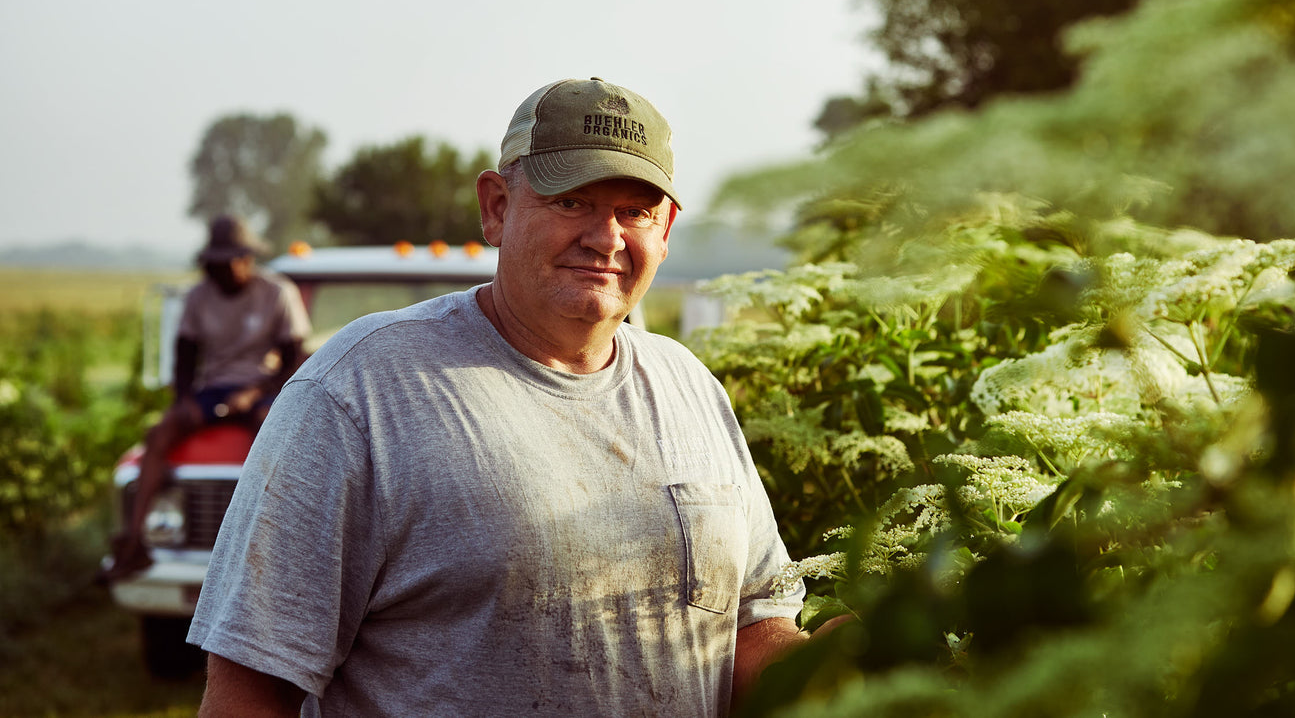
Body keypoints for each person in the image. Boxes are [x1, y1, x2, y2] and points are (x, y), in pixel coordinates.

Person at [190, 78, 826, 717]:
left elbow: (749, 630)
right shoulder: (360, 393)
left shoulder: (690, 387)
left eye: (635, 211)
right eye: (572, 201)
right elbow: (249, 691)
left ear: (665, 231)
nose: (606, 238)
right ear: (496, 207)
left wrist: (858, 658)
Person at [105, 214, 311, 581]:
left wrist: (252, 394)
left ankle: (275, 539)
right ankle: (135, 541)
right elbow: (185, 356)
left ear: (246, 259)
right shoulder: (198, 296)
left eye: (227, 262)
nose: (220, 272)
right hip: (212, 389)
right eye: (213, 265)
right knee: (159, 434)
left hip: (263, 388)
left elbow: (294, 361)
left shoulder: (277, 292)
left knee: (271, 432)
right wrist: (183, 401)